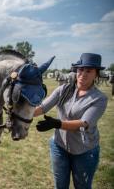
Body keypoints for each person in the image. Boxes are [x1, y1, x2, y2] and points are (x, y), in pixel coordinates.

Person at [34, 53, 108, 189]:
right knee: (60, 186)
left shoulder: (99, 98)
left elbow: (83, 123)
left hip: (84, 151)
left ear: (96, 74)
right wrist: (20, 113)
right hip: (59, 147)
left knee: (82, 186)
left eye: (89, 71)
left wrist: (57, 124)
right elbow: (42, 108)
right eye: (81, 70)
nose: (83, 74)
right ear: (76, 70)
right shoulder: (64, 89)